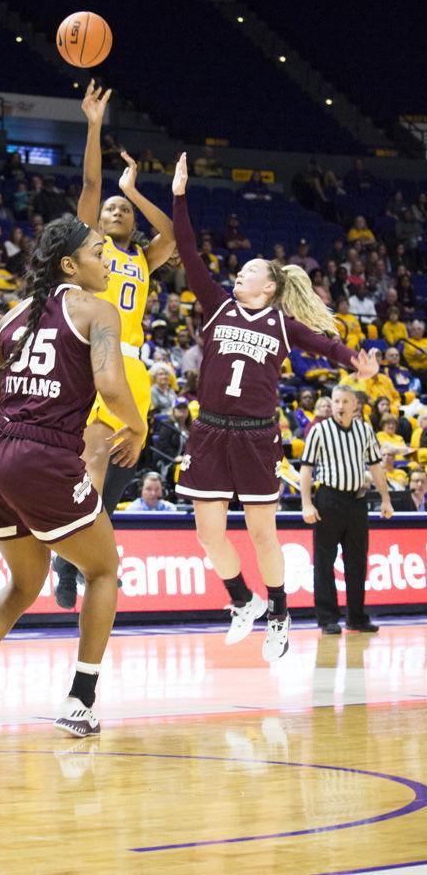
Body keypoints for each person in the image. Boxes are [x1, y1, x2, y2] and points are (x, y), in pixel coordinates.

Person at [0, 212, 144, 739]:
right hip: (40, 456)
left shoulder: (17, 312)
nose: (107, 258)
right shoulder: (98, 309)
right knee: (104, 569)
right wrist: (134, 425)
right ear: (71, 264)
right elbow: (110, 386)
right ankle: (81, 702)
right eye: (97, 252)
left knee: (24, 582)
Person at [169, 153, 381, 661]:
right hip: (210, 430)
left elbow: (327, 347)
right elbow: (188, 249)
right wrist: (178, 194)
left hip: (257, 435)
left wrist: (357, 361)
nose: (237, 276)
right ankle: (243, 601)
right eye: (238, 273)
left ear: (269, 286)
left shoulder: (283, 324)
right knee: (206, 533)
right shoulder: (217, 303)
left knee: (263, 535)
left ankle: (281, 614)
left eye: (247, 273)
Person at [54, 82, 175, 609]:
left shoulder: (146, 258)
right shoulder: (92, 248)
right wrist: (94, 126)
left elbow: (171, 230)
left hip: (136, 368)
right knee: (98, 456)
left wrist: (135, 187)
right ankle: (71, 560)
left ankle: (80, 550)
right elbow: (88, 180)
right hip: (97, 356)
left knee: (123, 467)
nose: (116, 211)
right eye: (110, 209)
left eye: (122, 209)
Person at [300, 384, 392, 634]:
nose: (339, 406)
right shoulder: (319, 431)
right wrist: (306, 503)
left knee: (357, 561)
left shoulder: (365, 430)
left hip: (357, 501)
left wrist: (385, 499)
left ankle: (357, 617)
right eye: (336, 401)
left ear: (355, 406)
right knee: (324, 561)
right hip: (328, 499)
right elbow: (306, 468)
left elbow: (375, 467)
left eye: (344, 402)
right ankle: (328, 618)